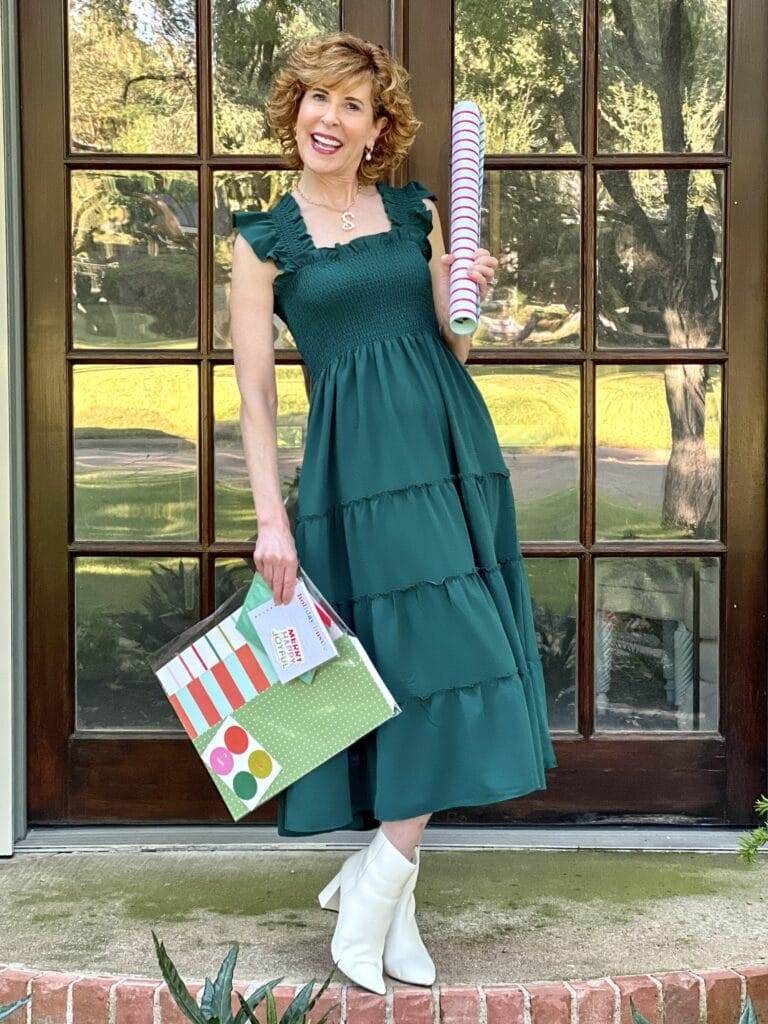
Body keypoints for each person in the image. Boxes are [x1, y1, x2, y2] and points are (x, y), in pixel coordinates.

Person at [229, 30, 558, 997]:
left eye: (352, 106)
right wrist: (270, 521)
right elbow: (253, 398)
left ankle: (379, 883)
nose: (329, 119)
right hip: (353, 472)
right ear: (296, 109)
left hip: (450, 451)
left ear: (379, 129)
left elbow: (454, 349)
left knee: (456, 658)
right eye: (316, 99)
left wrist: (471, 299)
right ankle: (385, 892)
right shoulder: (263, 243)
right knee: (404, 669)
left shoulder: (415, 212)